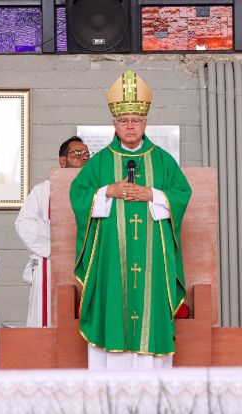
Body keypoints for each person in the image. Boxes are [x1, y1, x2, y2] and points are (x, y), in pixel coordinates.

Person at [70, 69, 192, 369]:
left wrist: (153, 195)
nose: (130, 126)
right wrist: (107, 190)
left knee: (149, 309)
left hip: (152, 261)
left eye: (135, 121)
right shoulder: (99, 162)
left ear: (145, 123)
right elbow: (78, 195)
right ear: (114, 123)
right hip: (111, 261)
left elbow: (182, 194)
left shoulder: (163, 160)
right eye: (123, 121)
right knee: (114, 309)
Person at [14, 136, 90, 327]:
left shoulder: (95, 191)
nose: (84, 158)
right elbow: (23, 223)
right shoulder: (43, 191)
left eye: (87, 154)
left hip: (86, 264)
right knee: (48, 321)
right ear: (62, 160)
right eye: (78, 154)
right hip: (51, 263)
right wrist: (58, 236)